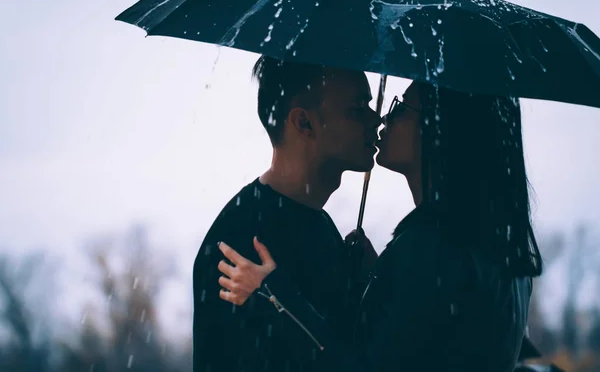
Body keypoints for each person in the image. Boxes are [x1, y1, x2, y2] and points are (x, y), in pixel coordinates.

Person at [217, 82, 544, 372]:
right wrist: (377, 281)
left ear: (440, 128)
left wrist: (275, 293)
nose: (382, 118)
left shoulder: (429, 249)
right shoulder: (499, 250)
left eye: (401, 107)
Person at [192, 55, 382, 372]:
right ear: (303, 123)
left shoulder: (322, 228)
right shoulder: (242, 243)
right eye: (357, 109)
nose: (376, 120)